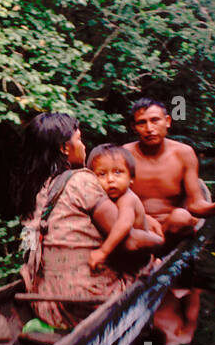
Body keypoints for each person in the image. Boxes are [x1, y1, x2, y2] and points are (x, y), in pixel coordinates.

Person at [13, 113, 163, 330]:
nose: (83, 147)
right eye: (79, 140)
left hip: (42, 302)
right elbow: (129, 242)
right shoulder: (82, 180)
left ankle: (47, 325)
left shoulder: (32, 189)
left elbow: (28, 248)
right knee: (149, 262)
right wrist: (157, 242)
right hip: (88, 303)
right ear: (65, 148)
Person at [121, 98, 215, 241]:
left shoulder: (184, 154)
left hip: (172, 230)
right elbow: (113, 198)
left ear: (167, 121)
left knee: (181, 217)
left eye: (155, 120)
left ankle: (157, 252)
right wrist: (142, 218)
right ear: (134, 127)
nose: (149, 128)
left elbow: (195, 205)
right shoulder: (125, 154)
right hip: (137, 226)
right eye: (142, 122)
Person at [84, 143, 158, 270]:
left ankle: (153, 263)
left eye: (118, 172)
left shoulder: (127, 198)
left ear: (131, 178)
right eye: (102, 174)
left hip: (138, 256)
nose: (110, 179)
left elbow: (124, 223)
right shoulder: (102, 198)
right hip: (120, 252)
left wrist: (103, 251)